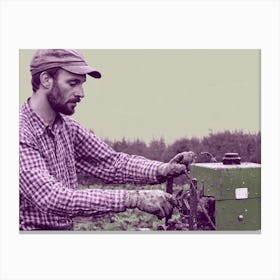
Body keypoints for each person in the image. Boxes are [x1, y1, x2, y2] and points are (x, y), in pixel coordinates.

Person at [19, 49, 195, 231]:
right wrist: (134, 198)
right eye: (72, 83)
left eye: (81, 84)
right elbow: (52, 198)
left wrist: (161, 169)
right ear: (46, 80)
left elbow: (112, 163)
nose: (81, 93)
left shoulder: (67, 128)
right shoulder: (20, 133)